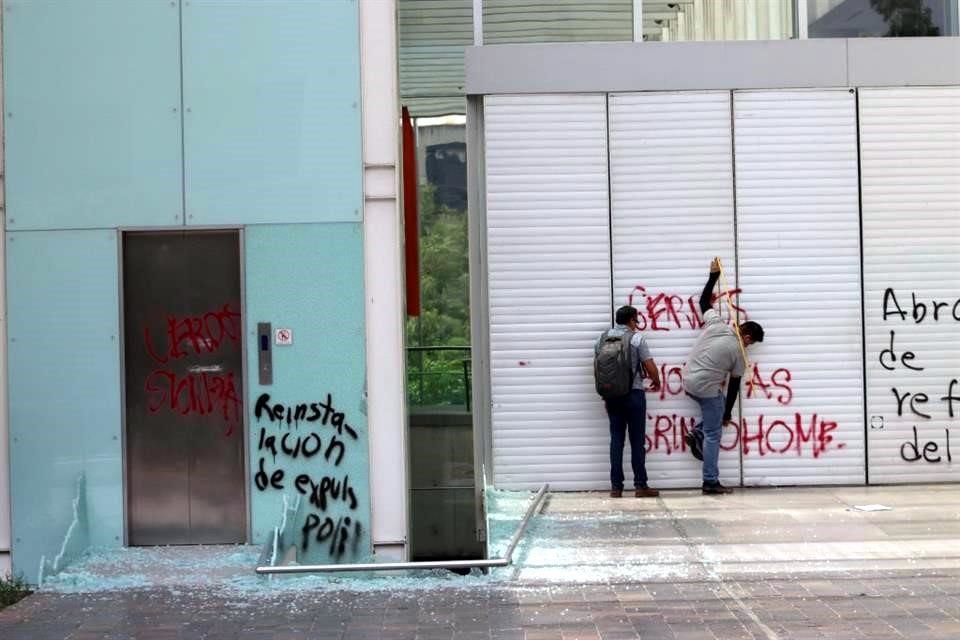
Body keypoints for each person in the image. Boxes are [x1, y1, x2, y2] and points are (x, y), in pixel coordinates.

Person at [683, 258, 764, 495]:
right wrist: (728, 414)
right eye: (752, 344)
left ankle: (697, 431)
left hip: (688, 381)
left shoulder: (717, 324)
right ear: (747, 338)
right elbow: (734, 386)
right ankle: (710, 481)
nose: (750, 347)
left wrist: (713, 277)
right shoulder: (739, 352)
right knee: (714, 432)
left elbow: (703, 301)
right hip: (706, 389)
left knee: (711, 417)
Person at [596, 305, 662, 498]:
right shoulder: (636, 338)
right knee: (636, 441)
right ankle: (641, 486)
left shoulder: (601, 339)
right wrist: (656, 381)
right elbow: (649, 365)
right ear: (632, 320)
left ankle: (616, 487)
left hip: (612, 396)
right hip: (633, 395)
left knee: (616, 440)